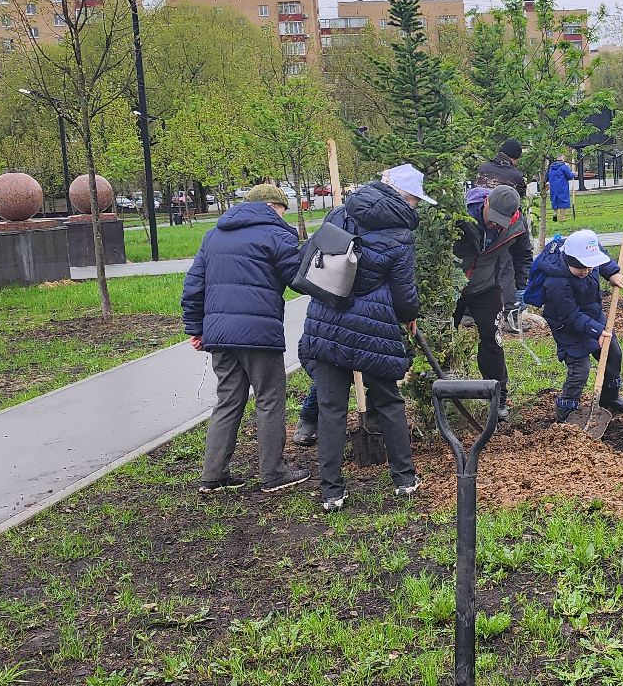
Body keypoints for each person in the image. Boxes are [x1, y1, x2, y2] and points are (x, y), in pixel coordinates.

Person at [297, 163, 432, 511]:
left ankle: (331, 491)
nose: (416, 206)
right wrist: (410, 317)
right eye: (416, 199)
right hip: (374, 328)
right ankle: (404, 479)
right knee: (388, 401)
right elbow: (404, 296)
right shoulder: (401, 235)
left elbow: (314, 259)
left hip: (327, 320)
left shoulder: (342, 212)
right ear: (405, 196)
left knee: (330, 408)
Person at [183, 184, 310, 496]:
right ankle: (273, 472)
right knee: (269, 397)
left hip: (220, 335)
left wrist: (196, 328)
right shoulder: (277, 234)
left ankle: (213, 475)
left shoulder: (214, 234)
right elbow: (298, 279)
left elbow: (193, 285)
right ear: (271, 205)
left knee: (228, 399)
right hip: (258, 335)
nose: (284, 215)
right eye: (283, 209)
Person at [533, 229, 623, 422]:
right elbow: (570, 316)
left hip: (593, 316)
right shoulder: (556, 283)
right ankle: (566, 412)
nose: (587, 271)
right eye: (582, 269)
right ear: (569, 261)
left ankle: (610, 398)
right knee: (581, 370)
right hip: (568, 327)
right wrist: (597, 331)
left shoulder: (587, 261)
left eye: (590, 267)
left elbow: (602, 259)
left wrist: (612, 273)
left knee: (613, 354)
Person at [453, 183, 532, 424]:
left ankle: (498, 398)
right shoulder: (462, 213)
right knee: (443, 337)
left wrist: (521, 287)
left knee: (492, 339)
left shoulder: (517, 225)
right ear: (486, 203)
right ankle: (440, 391)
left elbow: (523, 255)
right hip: (452, 286)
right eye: (493, 218)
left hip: (486, 286)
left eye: (502, 222)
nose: (495, 225)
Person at [547, 153, 576, 222]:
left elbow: (548, 177)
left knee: (554, 201)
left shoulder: (551, 167)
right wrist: (573, 174)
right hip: (562, 187)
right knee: (562, 202)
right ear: (562, 159)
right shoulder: (563, 167)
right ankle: (562, 218)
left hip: (553, 187)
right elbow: (569, 176)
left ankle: (554, 218)